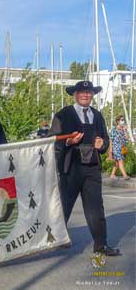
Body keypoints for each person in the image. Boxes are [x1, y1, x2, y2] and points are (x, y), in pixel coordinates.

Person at [49, 80, 120, 257]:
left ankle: (101, 245)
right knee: (63, 206)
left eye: (89, 93)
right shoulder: (63, 114)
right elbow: (52, 140)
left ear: (92, 96)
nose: (85, 95)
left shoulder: (98, 115)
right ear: (75, 94)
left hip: (92, 168)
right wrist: (67, 141)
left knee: (96, 208)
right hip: (70, 167)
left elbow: (105, 139)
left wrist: (102, 144)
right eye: (81, 92)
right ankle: (52, 241)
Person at [109, 115, 131, 180]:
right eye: (121, 120)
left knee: (117, 162)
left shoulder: (123, 129)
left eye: (123, 120)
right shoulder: (114, 129)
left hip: (122, 148)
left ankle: (112, 174)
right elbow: (111, 140)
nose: (123, 121)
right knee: (121, 161)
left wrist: (125, 130)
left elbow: (127, 138)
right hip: (116, 148)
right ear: (118, 121)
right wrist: (111, 150)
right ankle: (125, 175)